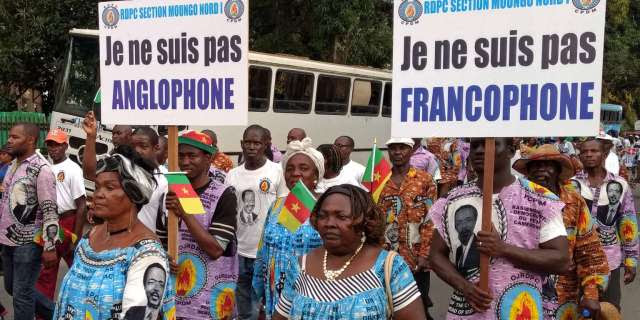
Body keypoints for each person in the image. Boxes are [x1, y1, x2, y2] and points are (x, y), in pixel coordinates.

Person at [429, 137, 569, 319]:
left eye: (490, 144)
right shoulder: (451, 200)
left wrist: (503, 249)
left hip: (520, 312)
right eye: (475, 145)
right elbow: (436, 255)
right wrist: (465, 287)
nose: (480, 150)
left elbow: (561, 260)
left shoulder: (540, 198)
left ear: (511, 151)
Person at [53, 146, 172, 320]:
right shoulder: (90, 238)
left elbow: (138, 314)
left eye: (110, 188)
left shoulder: (147, 254)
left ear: (134, 194)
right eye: (98, 186)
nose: (98, 194)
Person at [272, 185, 426, 320]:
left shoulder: (389, 266)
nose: (329, 223)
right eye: (323, 216)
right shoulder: (300, 265)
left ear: (365, 221)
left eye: (341, 216)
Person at [513, 144, 609, 319]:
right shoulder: (513, 200)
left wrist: (591, 294)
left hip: (563, 295)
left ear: (558, 170)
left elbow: (590, 251)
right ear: (527, 172)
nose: (541, 170)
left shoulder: (574, 201)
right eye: (535, 165)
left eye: (548, 165)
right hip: (520, 288)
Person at [165, 130, 239, 319]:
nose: (185, 161)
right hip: (174, 297)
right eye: (181, 156)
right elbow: (160, 240)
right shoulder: (171, 192)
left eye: (192, 156)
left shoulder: (225, 195)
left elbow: (215, 249)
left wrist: (184, 213)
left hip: (209, 301)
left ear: (208, 158)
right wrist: (164, 256)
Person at [253, 137, 325, 318]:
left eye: (304, 168)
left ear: (316, 174)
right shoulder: (277, 206)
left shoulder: (328, 206)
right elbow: (263, 251)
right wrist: (260, 296)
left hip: (311, 294)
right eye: (290, 169)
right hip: (274, 293)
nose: (295, 173)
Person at [225, 125, 287, 320]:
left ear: (266, 145)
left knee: (268, 303)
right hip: (240, 250)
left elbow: (283, 211)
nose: (251, 147)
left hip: (267, 252)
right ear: (241, 144)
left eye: (257, 143)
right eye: (248, 142)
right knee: (244, 302)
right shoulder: (232, 174)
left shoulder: (278, 172)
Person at [0, 123, 59, 320]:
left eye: (15, 137)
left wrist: (50, 247)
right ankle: (57, 313)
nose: (9, 140)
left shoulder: (42, 169)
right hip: (7, 241)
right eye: (10, 136)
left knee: (22, 296)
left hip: (29, 243)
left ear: (31, 140)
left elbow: (50, 209)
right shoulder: (13, 166)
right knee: (12, 288)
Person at [574, 138, 638, 310]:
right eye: (584, 152)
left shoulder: (619, 185)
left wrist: (631, 259)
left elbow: (627, 221)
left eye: (594, 151)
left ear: (604, 154)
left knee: (609, 309)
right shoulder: (571, 185)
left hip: (610, 260)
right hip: (576, 261)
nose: (588, 155)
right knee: (576, 310)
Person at [377, 137, 437, 318]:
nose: (397, 152)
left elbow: (430, 221)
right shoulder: (380, 181)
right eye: (393, 148)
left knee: (418, 306)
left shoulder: (424, 180)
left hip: (416, 258)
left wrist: (425, 254)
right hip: (386, 258)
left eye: (402, 148)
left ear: (411, 150)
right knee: (387, 305)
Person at [36, 128, 87, 303]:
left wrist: (76, 238)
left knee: (78, 270)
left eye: (57, 145)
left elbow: (81, 206)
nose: (53, 149)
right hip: (50, 223)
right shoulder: (46, 168)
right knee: (46, 272)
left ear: (65, 146)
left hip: (68, 221)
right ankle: (43, 314)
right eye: (50, 145)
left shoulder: (72, 169)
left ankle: (82, 308)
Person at [130, 127, 169, 236]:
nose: (137, 151)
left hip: (147, 246)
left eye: (143, 146)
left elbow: (190, 213)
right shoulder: (122, 169)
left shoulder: (173, 179)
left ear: (155, 148)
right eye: (133, 146)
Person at [453, 205, 479, 274]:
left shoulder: (481, 247)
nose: (464, 226)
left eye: (468, 220)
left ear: (475, 221)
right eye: (459, 222)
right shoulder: (458, 250)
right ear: (455, 227)